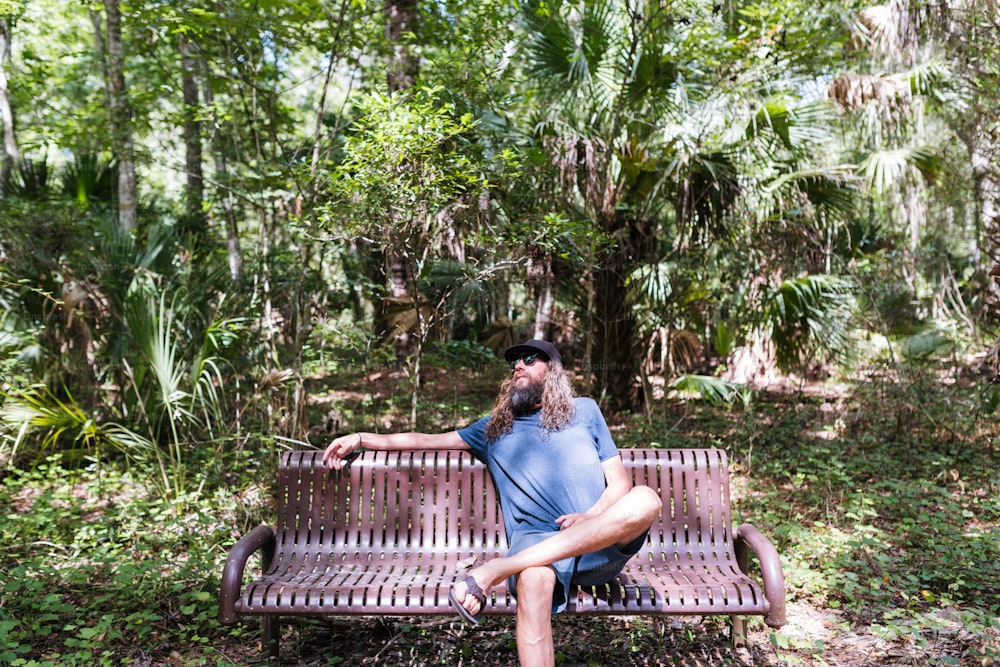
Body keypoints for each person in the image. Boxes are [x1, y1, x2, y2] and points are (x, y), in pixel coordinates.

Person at [322, 339, 662, 667]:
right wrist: (360, 437)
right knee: (532, 583)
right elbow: (425, 439)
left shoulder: (585, 410)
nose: (518, 366)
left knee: (646, 498)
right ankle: (512, 569)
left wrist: (592, 516)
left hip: (595, 545)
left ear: (553, 370)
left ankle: (497, 569)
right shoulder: (494, 428)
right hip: (535, 544)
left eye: (530, 359)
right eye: (515, 362)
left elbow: (619, 482)